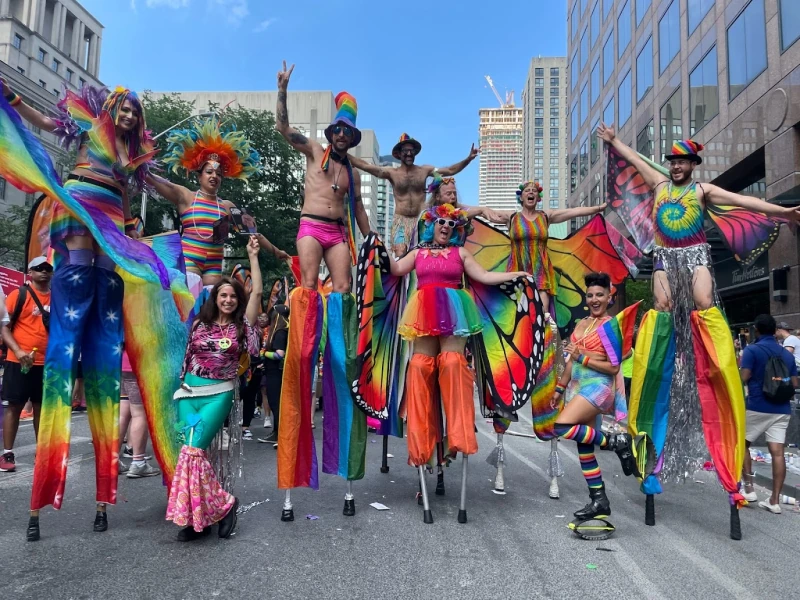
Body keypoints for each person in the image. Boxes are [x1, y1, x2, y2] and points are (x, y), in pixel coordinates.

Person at [0, 80, 192, 541]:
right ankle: (70, 348)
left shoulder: (134, 155)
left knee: (107, 300)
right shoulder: (89, 127)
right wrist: (14, 99)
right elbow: (46, 123)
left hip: (114, 221)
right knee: (79, 283)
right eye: (123, 109)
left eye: (133, 113)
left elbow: (142, 195)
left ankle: (106, 485)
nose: (128, 116)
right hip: (80, 203)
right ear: (112, 108)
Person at [598, 125, 800, 537]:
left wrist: (781, 212)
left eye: (681, 162)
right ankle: (660, 391)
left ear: (692, 165)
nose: (674, 167)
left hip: (695, 257)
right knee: (663, 309)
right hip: (664, 259)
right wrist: (615, 141)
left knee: (705, 305)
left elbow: (742, 199)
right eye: (671, 162)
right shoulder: (657, 185)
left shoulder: (703, 191)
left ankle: (707, 346)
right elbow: (636, 161)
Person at [274, 61, 371, 520]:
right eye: (339, 133)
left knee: (345, 293)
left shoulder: (351, 173)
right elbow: (283, 128)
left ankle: (341, 350)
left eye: (349, 135)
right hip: (312, 227)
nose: (342, 139)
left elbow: (358, 215)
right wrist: (283, 89)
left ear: (351, 139)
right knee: (308, 290)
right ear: (332, 132)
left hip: (339, 233)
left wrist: (372, 239)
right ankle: (305, 342)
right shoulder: (313, 152)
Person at [390, 203, 528, 522]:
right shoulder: (419, 253)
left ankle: (458, 436)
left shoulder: (459, 254)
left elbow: (484, 276)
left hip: (455, 312)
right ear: (431, 225)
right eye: (440, 222)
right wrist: (371, 248)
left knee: (453, 364)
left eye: (451, 224)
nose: (445, 227)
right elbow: (396, 270)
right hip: (423, 313)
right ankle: (423, 446)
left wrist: (516, 275)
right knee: (420, 370)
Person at [166, 235, 262, 541]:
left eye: (233, 296)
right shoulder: (199, 325)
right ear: (215, 298)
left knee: (193, 452)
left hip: (217, 394)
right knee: (190, 454)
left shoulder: (241, 326)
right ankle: (200, 519)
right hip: (188, 395)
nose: (228, 300)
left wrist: (253, 257)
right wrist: (181, 384)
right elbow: (186, 357)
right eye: (223, 295)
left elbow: (257, 290)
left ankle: (224, 504)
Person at [151, 116, 289, 286]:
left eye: (218, 174)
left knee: (211, 308)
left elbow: (254, 233)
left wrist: (276, 251)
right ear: (199, 176)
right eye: (209, 172)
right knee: (190, 302)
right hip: (189, 260)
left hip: (214, 266)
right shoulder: (186, 196)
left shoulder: (227, 206)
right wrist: (140, 167)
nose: (214, 176)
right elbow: (159, 182)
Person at [550, 272, 635, 523]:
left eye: (600, 295)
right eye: (590, 295)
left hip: (598, 387)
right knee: (585, 449)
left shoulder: (610, 326)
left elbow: (613, 367)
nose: (595, 299)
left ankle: (615, 442)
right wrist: (559, 389)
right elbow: (569, 361)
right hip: (577, 386)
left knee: (562, 426)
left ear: (610, 297)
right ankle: (599, 500)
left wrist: (583, 357)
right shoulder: (580, 324)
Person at [483, 181, 606, 318]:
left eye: (534, 191)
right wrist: (457, 207)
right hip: (517, 268)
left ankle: (544, 333)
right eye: (527, 190)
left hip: (540, 268)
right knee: (518, 313)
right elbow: (486, 213)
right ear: (521, 197)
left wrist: (598, 208)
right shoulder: (512, 217)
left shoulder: (545, 216)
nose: (531, 192)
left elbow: (572, 212)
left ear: (538, 197)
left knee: (542, 313)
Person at [348, 133, 479, 256]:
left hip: (421, 220)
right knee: (400, 253)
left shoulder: (424, 170)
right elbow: (366, 166)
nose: (409, 153)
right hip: (401, 221)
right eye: (405, 150)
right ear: (399, 154)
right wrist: (343, 154)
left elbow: (450, 170)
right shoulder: (392, 173)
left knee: (423, 254)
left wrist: (468, 159)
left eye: (412, 151)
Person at [740, 314, 799, 513]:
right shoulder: (788, 355)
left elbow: (744, 377)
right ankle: (774, 501)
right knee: (778, 453)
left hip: (757, 405)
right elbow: (794, 384)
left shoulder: (752, 350)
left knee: (742, 444)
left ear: (756, 330)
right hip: (782, 409)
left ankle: (749, 489)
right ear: (775, 331)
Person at [0, 257, 52, 473]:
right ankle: (7, 453)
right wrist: (19, 351)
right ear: (30, 272)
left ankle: (41, 453)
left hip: (47, 363)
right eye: (39, 269)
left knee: (42, 408)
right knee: (14, 406)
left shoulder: (58, 297)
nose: (44, 272)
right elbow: (4, 328)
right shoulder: (18, 295)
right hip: (18, 362)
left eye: (48, 268)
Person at [118, 350, 160, 478]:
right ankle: (138, 463)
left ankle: (112, 461)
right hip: (141, 363)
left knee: (123, 413)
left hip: (122, 361)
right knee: (140, 414)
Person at [258, 304, 288, 446]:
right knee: (274, 402)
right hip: (273, 372)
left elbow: (278, 354)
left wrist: (264, 354)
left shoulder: (280, 332)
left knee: (276, 404)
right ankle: (276, 433)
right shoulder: (281, 331)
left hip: (276, 373)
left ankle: (280, 436)